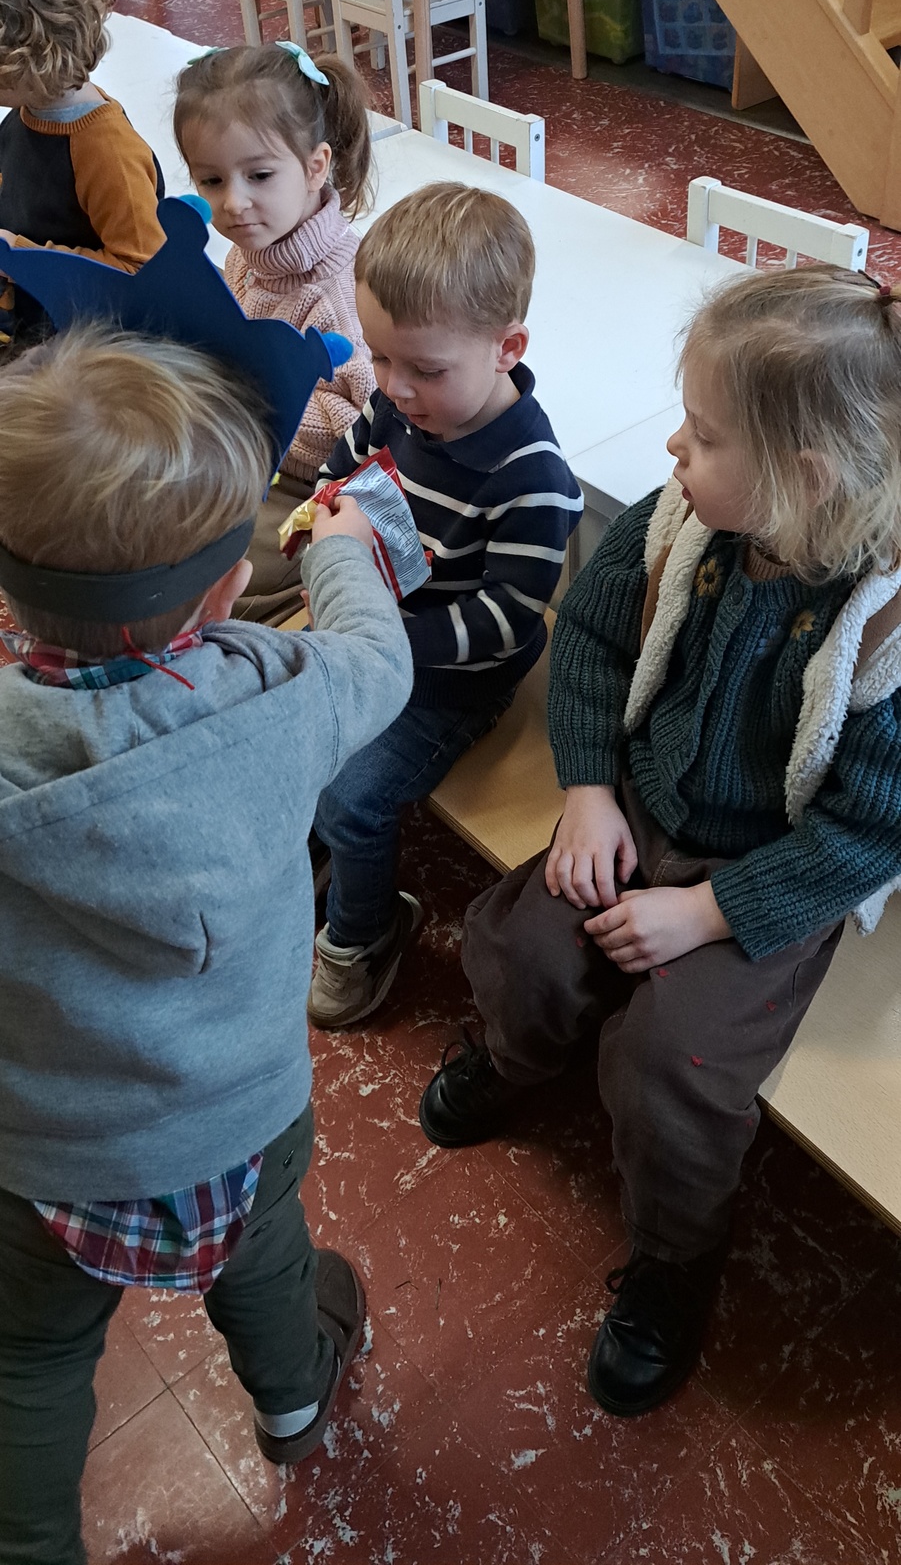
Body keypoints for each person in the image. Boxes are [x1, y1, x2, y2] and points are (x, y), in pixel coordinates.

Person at [419, 264, 901, 1418]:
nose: (674, 446)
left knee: (668, 1060)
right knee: (527, 949)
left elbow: (867, 831)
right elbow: (588, 639)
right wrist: (587, 790)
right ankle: (518, 1055)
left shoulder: (882, 629)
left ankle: (675, 1253)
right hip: (638, 802)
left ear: (804, 476)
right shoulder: (681, 517)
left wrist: (707, 911)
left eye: (704, 432)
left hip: (769, 868)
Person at [0, 320, 413, 1565]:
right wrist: (338, 548)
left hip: (42, 1147)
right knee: (268, 1264)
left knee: (30, 1357)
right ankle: (293, 1402)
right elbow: (376, 657)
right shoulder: (279, 690)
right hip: (242, 1114)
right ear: (228, 588)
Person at [309, 180, 583, 1029]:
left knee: (352, 797)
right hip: (370, 628)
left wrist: (384, 638)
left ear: (507, 348)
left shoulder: (532, 477)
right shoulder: (397, 407)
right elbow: (341, 465)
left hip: (451, 680)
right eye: (380, 358)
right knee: (284, 732)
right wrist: (322, 511)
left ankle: (363, 933)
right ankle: (313, 852)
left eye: (424, 369)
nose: (392, 388)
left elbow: (507, 619)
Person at [174, 41, 375, 623]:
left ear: (316, 166)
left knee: (190, 567)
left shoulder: (343, 291)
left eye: (259, 175)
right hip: (244, 454)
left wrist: (253, 395)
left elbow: (369, 429)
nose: (233, 203)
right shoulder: (247, 255)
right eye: (211, 180)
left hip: (310, 490)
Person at [0, 0, 164, 342]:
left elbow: (141, 271)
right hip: (29, 315)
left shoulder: (106, 151)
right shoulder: (25, 111)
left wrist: (22, 256)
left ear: (25, 56)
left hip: (85, 342)